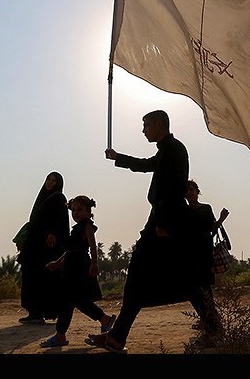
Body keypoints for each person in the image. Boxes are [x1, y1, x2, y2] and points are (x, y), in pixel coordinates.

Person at [86, 109, 191, 353]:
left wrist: (163, 224)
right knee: (156, 279)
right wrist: (117, 157)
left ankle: (117, 336)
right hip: (162, 220)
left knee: (141, 278)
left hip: (165, 222)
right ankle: (117, 336)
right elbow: (146, 166)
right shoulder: (167, 150)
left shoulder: (174, 149)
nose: (143, 130)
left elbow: (175, 190)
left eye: (146, 125)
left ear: (158, 124)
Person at [39, 195, 116, 348]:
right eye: (73, 210)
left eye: (80, 209)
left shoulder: (87, 226)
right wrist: (57, 262)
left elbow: (92, 246)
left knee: (71, 301)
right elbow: (69, 251)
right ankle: (104, 319)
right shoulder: (75, 229)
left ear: (88, 211)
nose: (76, 213)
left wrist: (94, 263)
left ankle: (61, 335)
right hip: (70, 267)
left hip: (80, 267)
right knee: (74, 301)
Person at [17, 171, 70, 324]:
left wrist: (53, 232)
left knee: (42, 278)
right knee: (30, 277)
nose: (50, 182)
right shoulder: (42, 198)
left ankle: (41, 312)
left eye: (53, 180)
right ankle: (33, 312)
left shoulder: (59, 198)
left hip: (47, 248)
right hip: (35, 245)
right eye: (48, 179)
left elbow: (60, 219)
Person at [185, 179, 228, 343]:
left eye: (192, 189)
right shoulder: (183, 212)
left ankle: (213, 331)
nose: (189, 192)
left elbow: (212, 229)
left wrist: (221, 220)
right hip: (190, 258)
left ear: (197, 191)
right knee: (196, 295)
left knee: (205, 295)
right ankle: (212, 329)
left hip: (204, 257)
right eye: (187, 190)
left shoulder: (206, 209)